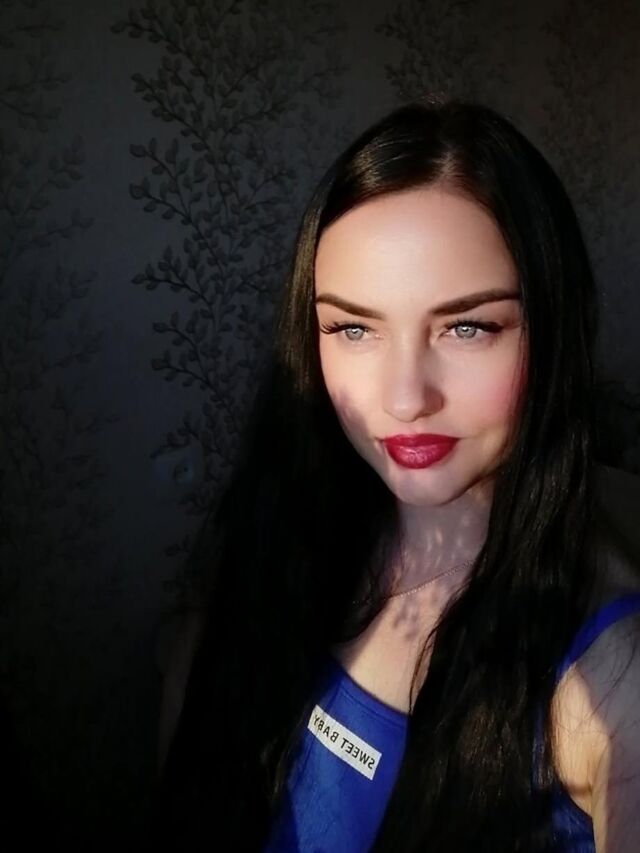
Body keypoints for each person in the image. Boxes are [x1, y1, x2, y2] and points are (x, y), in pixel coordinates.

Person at [153, 99, 640, 852]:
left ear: (553, 332)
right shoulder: (276, 537)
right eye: (354, 327)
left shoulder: (607, 679)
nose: (406, 398)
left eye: (468, 327)